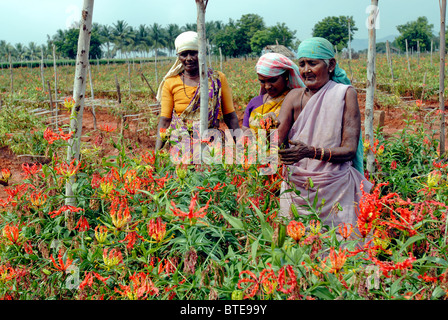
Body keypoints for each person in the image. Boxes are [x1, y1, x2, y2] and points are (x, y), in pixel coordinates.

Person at [276, 37, 372, 238]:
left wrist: (310, 152)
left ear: (331, 65)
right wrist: (268, 128)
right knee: (296, 251)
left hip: (335, 187)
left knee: (341, 250)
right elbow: (278, 142)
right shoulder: (293, 97)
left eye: (313, 63)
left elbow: (349, 150)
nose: (306, 70)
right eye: (301, 64)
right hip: (297, 187)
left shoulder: (345, 94)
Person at [155, 31, 239, 152]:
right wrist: (156, 155)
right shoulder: (170, 82)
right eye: (184, 54)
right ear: (178, 56)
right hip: (181, 146)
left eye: (194, 53)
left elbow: (230, 117)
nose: (189, 58)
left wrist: (242, 148)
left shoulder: (218, 79)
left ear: (202, 53)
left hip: (211, 145)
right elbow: (165, 121)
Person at [242, 52, 304, 133]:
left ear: (285, 76)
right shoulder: (254, 102)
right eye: (262, 81)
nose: (267, 86)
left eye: (273, 80)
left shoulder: (296, 101)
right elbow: (245, 134)